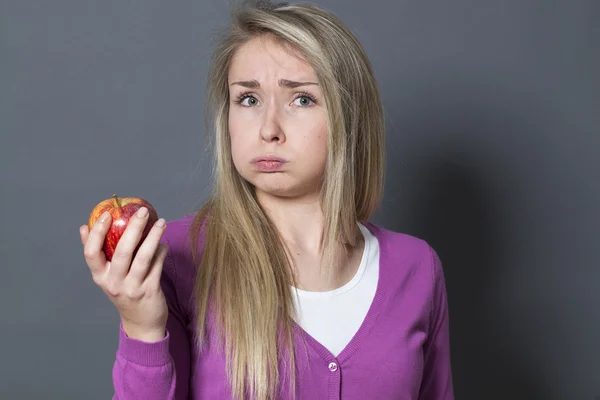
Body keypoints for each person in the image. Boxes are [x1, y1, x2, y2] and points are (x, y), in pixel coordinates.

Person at [79, 0, 454, 399]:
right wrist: (142, 330)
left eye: (302, 99)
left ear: (351, 117)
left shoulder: (416, 268)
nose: (268, 129)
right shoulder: (177, 256)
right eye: (249, 100)